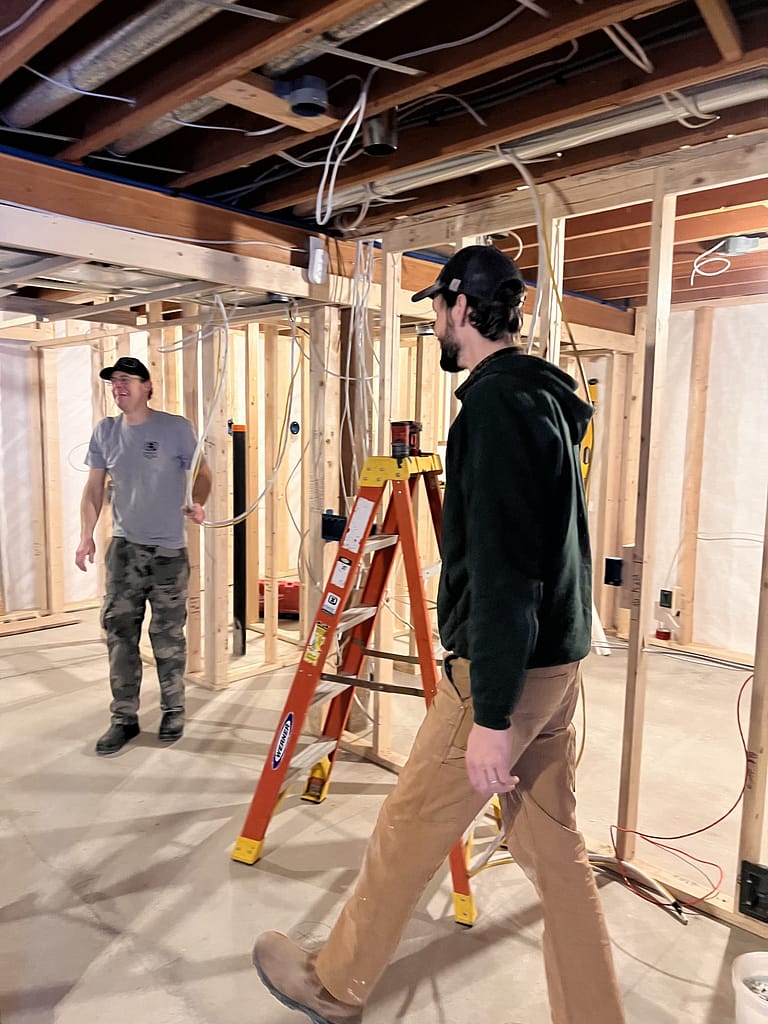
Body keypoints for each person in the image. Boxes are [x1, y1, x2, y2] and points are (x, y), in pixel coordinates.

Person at [252, 245, 626, 1024]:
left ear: (462, 307)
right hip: (556, 666)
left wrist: (490, 715)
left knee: (409, 827)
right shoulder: (545, 399)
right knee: (556, 855)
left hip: (505, 674)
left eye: (437, 311)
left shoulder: (494, 411)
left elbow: (504, 571)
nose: (433, 325)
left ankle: (335, 984)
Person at [75, 355, 212, 756]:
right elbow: (94, 488)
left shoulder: (175, 428)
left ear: (147, 386)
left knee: (167, 637)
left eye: (127, 380)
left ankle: (174, 710)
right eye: (114, 381)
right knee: (120, 636)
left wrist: (198, 503)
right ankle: (124, 718)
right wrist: (85, 535)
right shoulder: (105, 432)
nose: (119, 386)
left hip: (168, 551)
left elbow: (203, 474)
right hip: (125, 551)